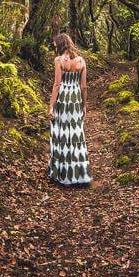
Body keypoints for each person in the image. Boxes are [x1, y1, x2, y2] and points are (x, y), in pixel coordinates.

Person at [47, 32, 90, 186]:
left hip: (63, 100)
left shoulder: (59, 60)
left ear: (60, 44)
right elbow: (83, 86)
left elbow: (57, 84)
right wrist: (84, 105)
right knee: (76, 132)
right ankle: (78, 174)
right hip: (76, 100)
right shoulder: (81, 60)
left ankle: (61, 173)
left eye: (55, 43)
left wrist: (51, 106)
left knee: (62, 132)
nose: (53, 46)